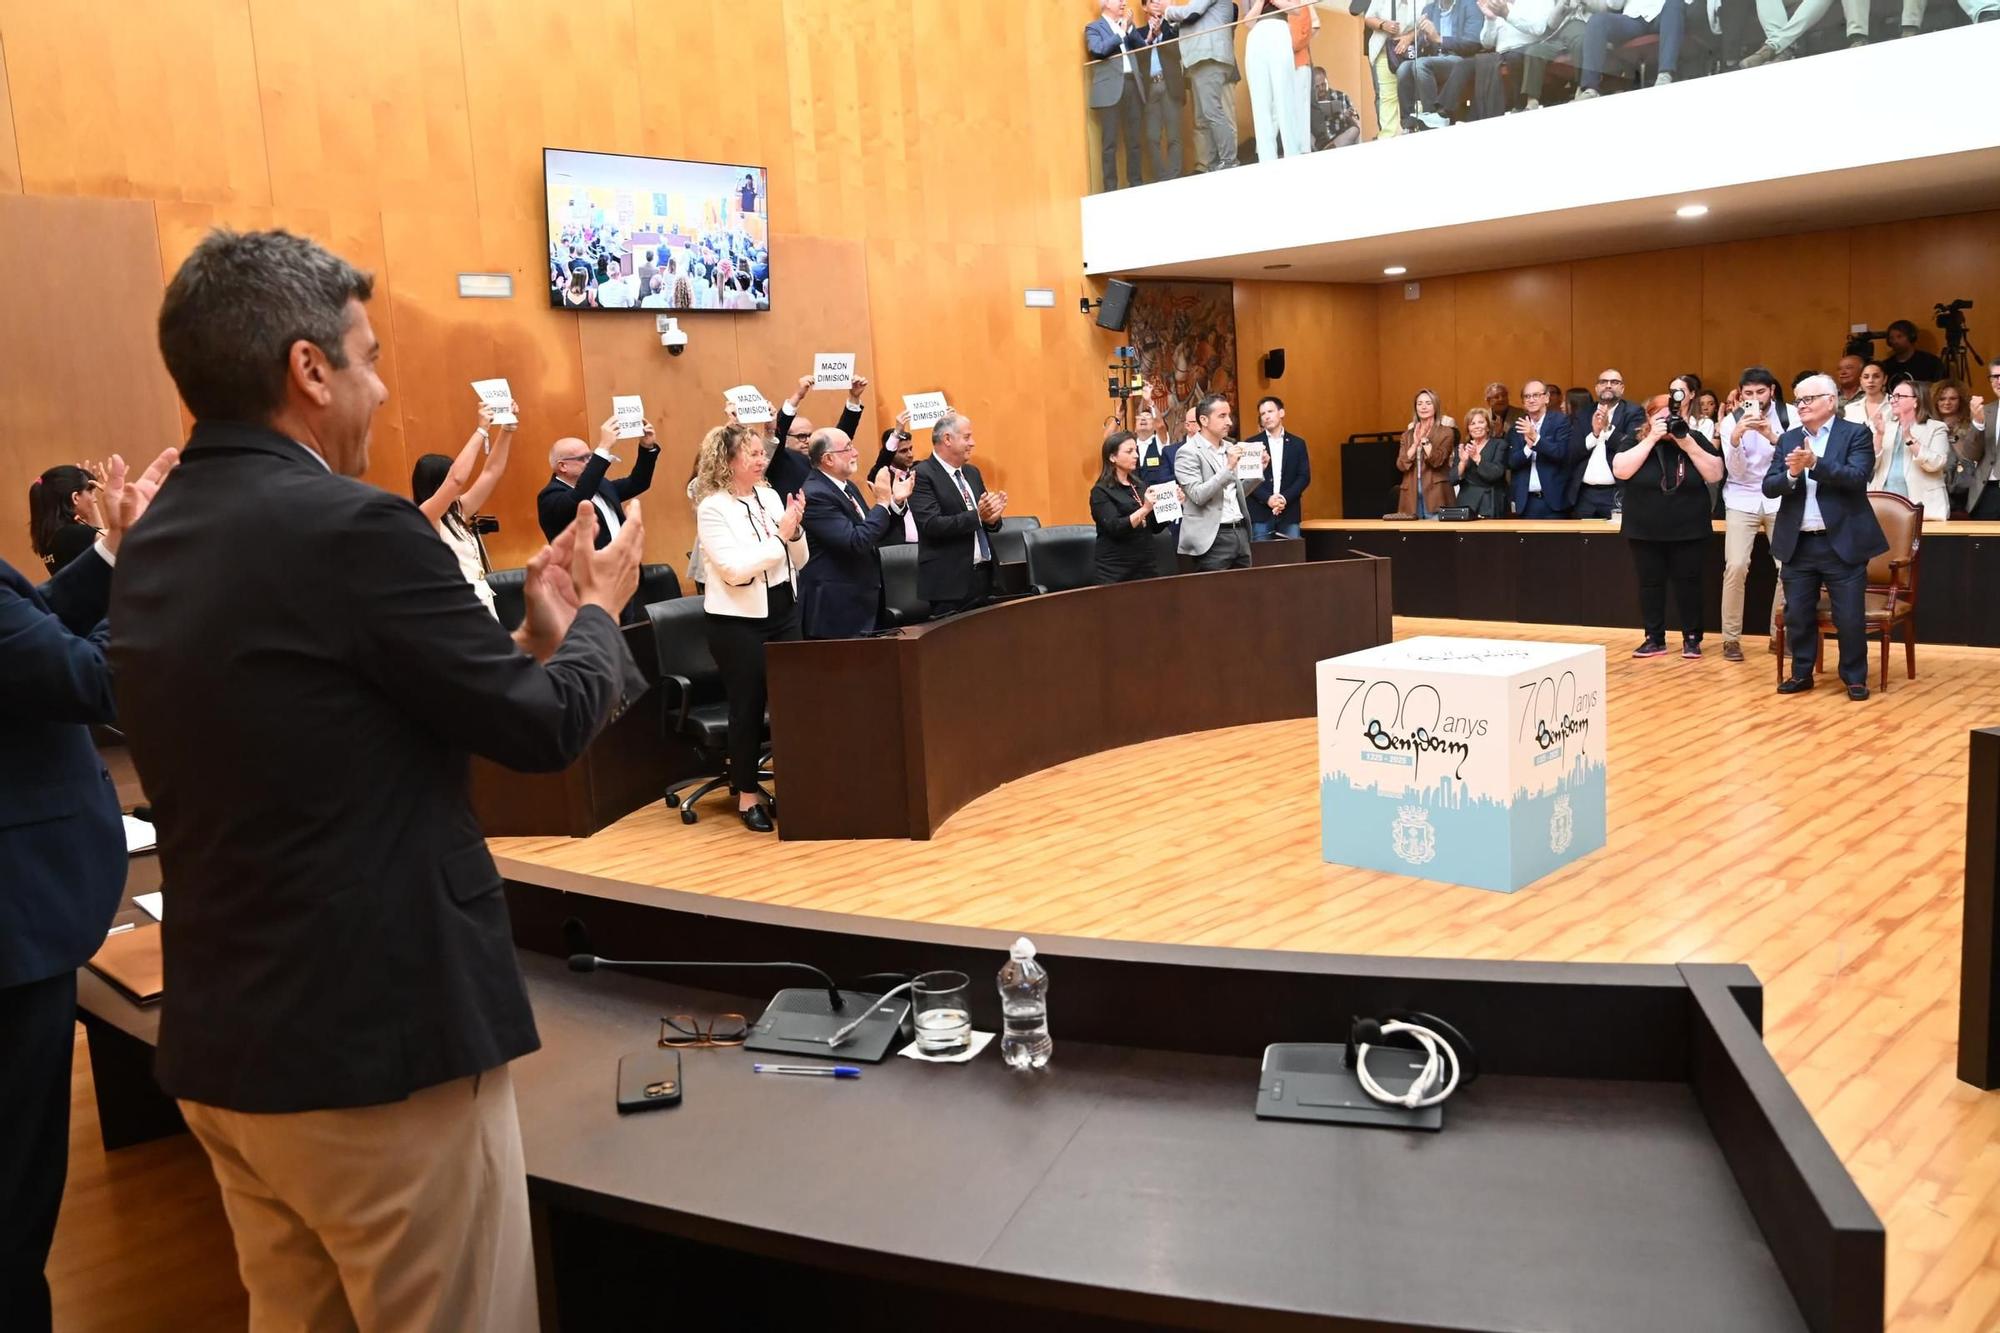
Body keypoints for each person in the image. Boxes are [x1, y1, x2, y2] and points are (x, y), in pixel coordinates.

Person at [110, 228, 645, 1333]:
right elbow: (545, 728)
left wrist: (532, 642)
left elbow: (332, 727)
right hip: (377, 1056)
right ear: (309, 369)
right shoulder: (355, 527)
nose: (383, 387)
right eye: (369, 357)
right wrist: (596, 615)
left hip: (228, 1045)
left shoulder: (157, 537)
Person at [3, 449, 175, 1332]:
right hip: (15, 932)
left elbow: (30, 623)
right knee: (16, 1193)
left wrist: (111, 549)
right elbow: (96, 677)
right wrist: (140, 570)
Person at [694, 424, 809, 831]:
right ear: (728, 461)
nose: (762, 460)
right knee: (747, 707)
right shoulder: (712, 508)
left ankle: (798, 785)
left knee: (793, 702)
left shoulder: (770, 495)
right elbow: (734, 569)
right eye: (752, 454)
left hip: (783, 612)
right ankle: (746, 796)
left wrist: (796, 530)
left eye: (762, 453)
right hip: (738, 623)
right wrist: (780, 537)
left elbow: (799, 559)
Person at [1764, 373, 1890, 701]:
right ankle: (1801, 673)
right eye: (1798, 400)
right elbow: (1769, 486)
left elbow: (1857, 477)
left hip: (1841, 542)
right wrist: (1792, 473)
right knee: (1798, 615)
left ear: (1830, 401)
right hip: (1799, 542)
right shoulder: (1789, 439)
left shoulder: (1855, 434)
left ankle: (1854, 677)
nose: (1801, 405)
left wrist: (1815, 463)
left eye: (1808, 399)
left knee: (1849, 617)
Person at [1612, 394, 1722, 658]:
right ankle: (1654, 638)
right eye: (1659, 417)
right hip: (1644, 527)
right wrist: (1651, 439)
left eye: (1672, 416)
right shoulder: (1634, 439)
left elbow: (1715, 473)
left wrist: (1687, 443)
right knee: (1649, 584)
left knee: (1689, 583)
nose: (1667, 422)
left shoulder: (1693, 437)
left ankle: (1692, 638)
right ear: (1648, 418)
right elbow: (1621, 470)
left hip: (1688, 526)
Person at [797, 426, 912, 639]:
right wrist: (882, 502)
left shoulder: (846, 486)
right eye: (848, 448)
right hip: (836, 609)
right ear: (828, 459)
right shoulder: (815, 494)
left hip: (863, 600)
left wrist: (894, 503)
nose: (856, 453)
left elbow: (871, 532)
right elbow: (855, 541)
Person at [412, 403, 517, 619]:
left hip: (480, 603)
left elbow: (492, 472)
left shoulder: (455, 512)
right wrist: (481, 430)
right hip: (455, 610)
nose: (460, 485)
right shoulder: (425, 515)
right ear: (437, 484)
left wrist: (507, 430)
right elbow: (456, 479)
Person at [1717, 367, 1793, 662]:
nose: (1755, 398)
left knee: (1787, 567)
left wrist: (1772, 436)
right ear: (1740, 394)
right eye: (1748, 393)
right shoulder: (1730, 422)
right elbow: (1735, 472)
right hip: (1742, 497)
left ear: (1772, 391)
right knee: (1736, 566)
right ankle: (1730, 639)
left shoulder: (1790, 415)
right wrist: (1736, 438)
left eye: (1761, 392)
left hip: (1780, 496)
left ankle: (1779, 635)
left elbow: (1793, 460)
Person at [911, 411, 1007, 616]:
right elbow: (931, 524)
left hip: (985, 576)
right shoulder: (922, 475)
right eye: (967, 437)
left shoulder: (972, 472)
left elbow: (985, 519)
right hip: (949, 584)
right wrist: (978, 516)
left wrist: (992, 519)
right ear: (947, 439)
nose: (972, 443)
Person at [537, 415, 660, 546]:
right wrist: (604, 447)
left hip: (621, 557)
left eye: (590, 456)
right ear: (563, 466)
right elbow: (580, 498)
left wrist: (647, 447)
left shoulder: (600, 485)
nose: (590, 462)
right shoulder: (550, 497)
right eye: (583, 458)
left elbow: (637, 482)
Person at [1176, 394, 1253, 570]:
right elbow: (1197, 495)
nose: (1229, 422)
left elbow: (1236, 493)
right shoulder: (1187, 452)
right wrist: (1228, 467)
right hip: (1211, 537)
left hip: (1240, 531)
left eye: (1229, 416)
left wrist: (1257, 472)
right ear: (1204, 420)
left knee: (1246, 587)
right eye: (1222, 416)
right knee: (1214, 588)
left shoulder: (1230, 448)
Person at [1165, 0, 1240, 171]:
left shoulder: (1197, 5)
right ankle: (1213, 163)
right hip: (1201, 60)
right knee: (1206, 116)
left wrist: (1167, 10)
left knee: (1212, 112)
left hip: (1209, 57)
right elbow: (1191, 20)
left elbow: (1192, 13)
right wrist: (1173, 24)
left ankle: (1229, 160)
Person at [773, 373, 868, 502]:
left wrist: (854, 398)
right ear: (785, 438)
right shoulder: (779, 458)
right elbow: (778, 431)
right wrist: (797, 396)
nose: (808, 440)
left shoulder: (819, 458)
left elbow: (839, 437)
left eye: (810, 435)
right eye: (802, 436)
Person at [1396, 0, 1483, 128]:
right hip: (1435, 59)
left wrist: (1439, 39)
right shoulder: (1429, 9)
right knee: (1403, 68)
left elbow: (1473, 42)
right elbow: (1420, 48)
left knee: (1421, 65)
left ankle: (1433, 117)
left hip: (1460, 59)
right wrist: (1424, 38)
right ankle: (1407, 123)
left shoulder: (1470, 5)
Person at [1871, 380, 1951, 520]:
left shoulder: (1936, 428)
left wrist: (1909, 437)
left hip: (1924, 506)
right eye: (1892, 396)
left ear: (1916, 401)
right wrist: (1879, 435)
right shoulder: (1885, 427)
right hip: (1883, 503)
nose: (1893, 401)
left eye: (1899, 396)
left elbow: (1936, 464)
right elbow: (1871, 465)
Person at [1090, 432, 1164, 583]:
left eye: (1136, 450)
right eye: (1129, 451)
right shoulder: (1101, 491)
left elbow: (1154, 527)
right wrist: (1145, 509)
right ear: (1112, 457)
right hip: (1116, 569)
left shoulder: (1139, 485)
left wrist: (1173, 505)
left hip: (1145, 565)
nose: (1136, 455)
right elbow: (1115, 527)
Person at [1573, 0, 1686, 99]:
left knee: (1674, 3)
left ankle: (1665, 76)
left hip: (1663, 12)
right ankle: (1590, 89)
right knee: (1597, 21)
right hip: (1634, 18)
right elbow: (1615, 5)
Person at [1087, 1, 1145, 190]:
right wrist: (1120, 32)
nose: (1124, 3)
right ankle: (1110, 188)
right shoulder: (1094, 28)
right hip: (1109, 90)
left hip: (1132, 85)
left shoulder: (1127, 26)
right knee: (1109, 143)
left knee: (1134, 140)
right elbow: (1097, 49)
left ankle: (1136, 183)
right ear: (1106, 3)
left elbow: (1142, 47)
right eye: (1119, 0)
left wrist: (1129, 29)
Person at [1244, 0, 1312, 161]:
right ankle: (1266, 158)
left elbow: (1296, 10)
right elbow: (1248, 22)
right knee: (1260, 101)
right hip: (1256, 36)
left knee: (1284, 96)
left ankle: (1292, 153)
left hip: (1279, 31)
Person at [1126, 1, 1186, 182]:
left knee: (1174, 135)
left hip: (1169, 85)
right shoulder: (1138, 33)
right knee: (1152, 137)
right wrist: (1150, 38)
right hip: (1149, 88)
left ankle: (1174, 176)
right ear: (1144, 7)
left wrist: (1160, 34)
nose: (1157, 3)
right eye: (1152, 1)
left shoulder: (1172, 28)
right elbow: (1136, 60)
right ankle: (1161, 178)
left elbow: (1178, 53)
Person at [1572, 369, 1642, 519]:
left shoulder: (1633, 412)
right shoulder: (1583, 413)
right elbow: (1573, 451)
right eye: (1603, 382)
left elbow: (1632, 448)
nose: (1608, 385)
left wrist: (1607, 428)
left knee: (1616, 534)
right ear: (1597, 388)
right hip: (1584, 495)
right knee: (1581, 534)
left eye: (1614, 382)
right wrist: (1595, 434)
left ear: (1622, 388)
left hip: (1616, 492)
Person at [1245, 394, 1311, 537]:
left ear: (1281, 413)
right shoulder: (1251, 444)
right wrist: (1268, 499)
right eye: (1263, 414)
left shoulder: (1297, 443)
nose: (1266, 416)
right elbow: (1247, 478)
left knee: (1292, 550)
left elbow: (1304, 477)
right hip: (1260, 512)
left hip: (1289, 510)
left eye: (1270, 411)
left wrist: (1283, 498)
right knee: (1262, 551)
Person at [1506, 380, 1574, 517]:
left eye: (1536, 395)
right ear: (1523, 402)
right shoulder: (1517, 427)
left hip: (1554, 500)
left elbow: (1561, 453)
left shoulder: (1560, 421)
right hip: (1526, 502)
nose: (1531, 400)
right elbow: (1511, 462)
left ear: (1546, 398)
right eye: (1527, 396)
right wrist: (1528, 448)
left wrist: (1535, 438)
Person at [27, 464, 101, 574]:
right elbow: (115, 546)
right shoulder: (73, 535)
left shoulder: (51, 537)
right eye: (90, 492)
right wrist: (115, 498)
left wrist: (88, 494)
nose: (95, 499)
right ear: (75, 497)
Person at [1361, 0, 1421, 137]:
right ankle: (1388, 137)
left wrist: (1409, 37)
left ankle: (1416, 130)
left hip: (1413, 50)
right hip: (1386, 52)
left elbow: (1429, 20)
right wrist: (1383, 25)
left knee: (1416, 95)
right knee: (1387, 97)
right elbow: (1368, 18)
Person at [1395, 389, 1456, 517]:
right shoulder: (1407, 435)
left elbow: (1437, 461)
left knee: (1436, 529)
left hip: (1436, 493)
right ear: (1415, 407)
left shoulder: (1446, 432)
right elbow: (1401, 464)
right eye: (1420, 403)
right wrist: (1415, 443)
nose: (1423, 407)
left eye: (1428, 403)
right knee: (1412, 530)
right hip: (1411, 494)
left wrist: (1424, 440)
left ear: (1436, 406)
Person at [867, 417, 920, 544]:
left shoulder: (919, 470)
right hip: (896, 545)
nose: (910, 454)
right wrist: (895, 435)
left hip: (925, 545)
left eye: (911, 449)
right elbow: (882, 461)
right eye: (903, 451)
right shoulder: (881, 474)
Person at [1451, 407, 1510, 516]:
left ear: (1488, 427)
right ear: (1468, 429)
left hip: (1491, 502)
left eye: (1481, 422)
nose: (1477, 426)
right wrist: (1462, 463)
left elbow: (1496, 473)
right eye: (1472, 423)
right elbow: (1452, 479)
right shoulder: (1463, 448)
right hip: (1466, 502)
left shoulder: (1499, 445)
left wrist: (1477, 458)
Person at [1961, 362, 2000, 519]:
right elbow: (1970, 454)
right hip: (1987, 491)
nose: (1998, 381)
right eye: (1995, 377)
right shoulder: (1985, 411)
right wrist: (1978, 423)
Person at [1931, 379, 1976, 514]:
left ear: (1961, 401)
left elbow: (1971, 456)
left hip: (1965, 488)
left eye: (1953, 398)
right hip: (1937, 486)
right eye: (1942, 399)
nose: (1947, 402)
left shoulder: (1971, 425)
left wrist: (1954, 439)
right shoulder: (1929, 425)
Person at [1878, 319, 1948, 387]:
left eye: (1899, 336)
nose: (1895, 341)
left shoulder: (1930, 362)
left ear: (1911, 337)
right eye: (1891, 338)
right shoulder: (1886, 366)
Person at [1311, 65, 1362, 147]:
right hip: (1319, 141)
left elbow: (1355, 117)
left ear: (1327, 81)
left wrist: (1348, 116)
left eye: (1323, 84)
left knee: (1354, 130)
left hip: (1339, 138)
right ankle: (1327, 149)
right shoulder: (1310, 102)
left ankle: (1330, 148)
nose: (1321, 89)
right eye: (1317, 86)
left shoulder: (1341, 96)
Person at [1842, 362, 1890, 437]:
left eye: (1876, 376)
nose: (1870, 380)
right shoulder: (1851, 409)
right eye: (1866, 377)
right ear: (1861, 380)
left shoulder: (1895, 404)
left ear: (1885, 379)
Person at [1133, 404, 1176, 487]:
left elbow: (1160, 426)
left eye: (1148, 417)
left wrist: (1151, 403)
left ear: (1154, 426)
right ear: (1135, 428)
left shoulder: (1159, 442)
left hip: (1157, 492)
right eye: (1140, 417)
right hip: (1133, 493)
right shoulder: (1130, 444)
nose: (1143, 419)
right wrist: (1118, 418)